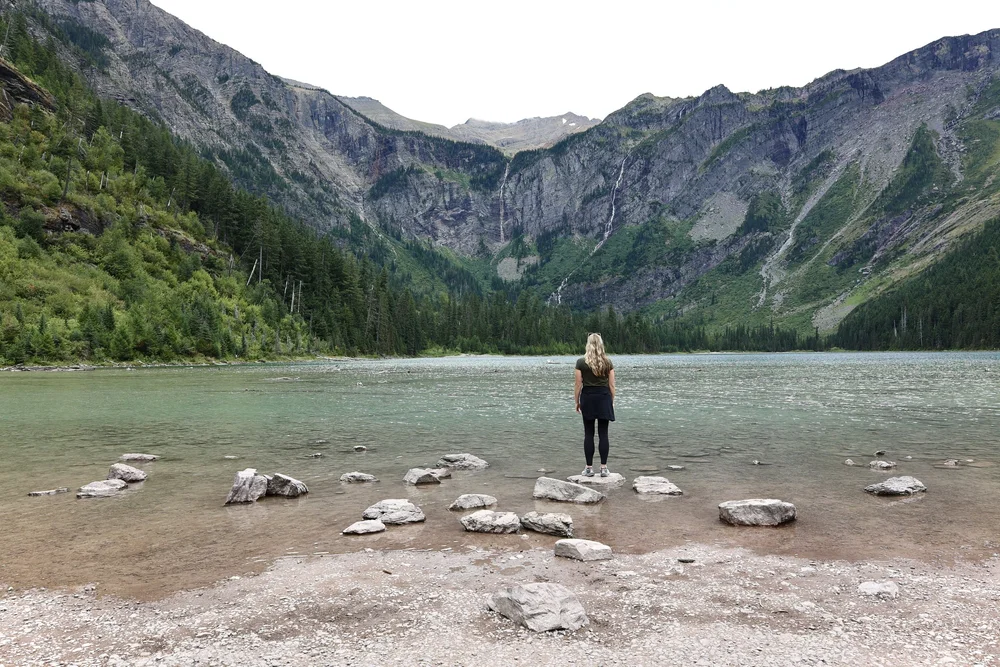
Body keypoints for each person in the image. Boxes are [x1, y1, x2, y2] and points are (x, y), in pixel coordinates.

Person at [574, 333, 615, 477]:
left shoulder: (581, 362)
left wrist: (577, 401)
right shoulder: (608, 362)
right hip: (604, 397)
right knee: (603, 434)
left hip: (588, 398)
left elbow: (578, 385)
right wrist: (611, 401)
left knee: (589, 433)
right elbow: (611, 385)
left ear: (588, 345)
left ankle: (589, 468)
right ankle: (603, 468)